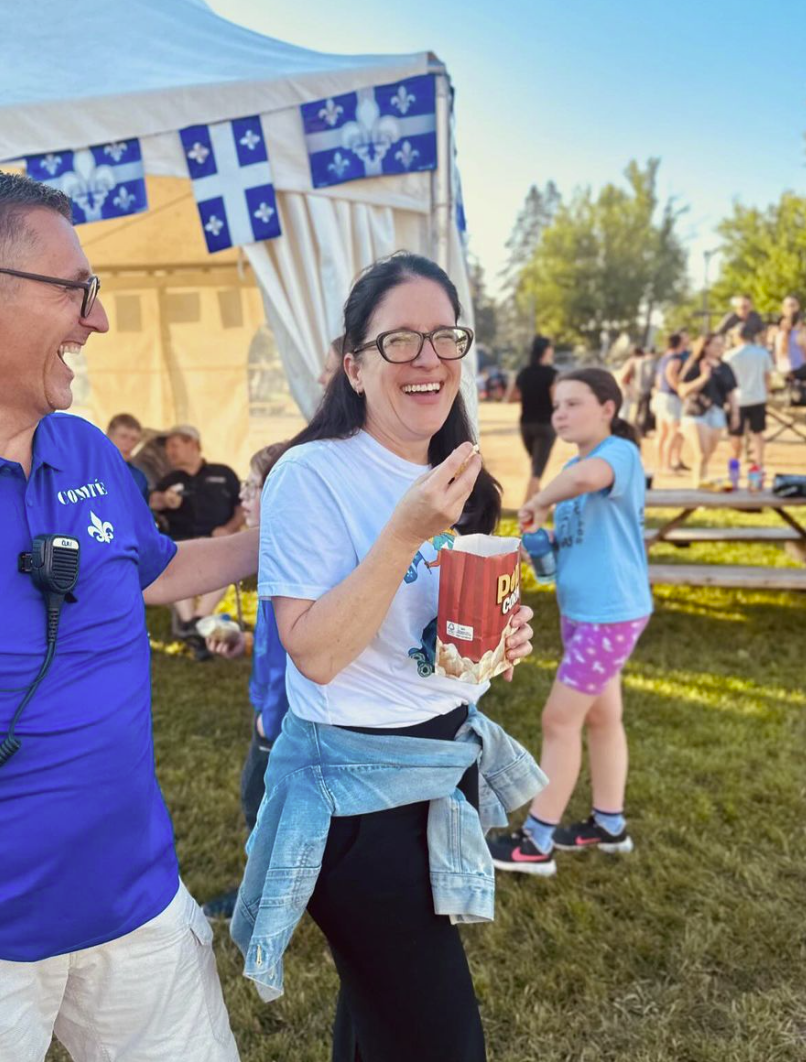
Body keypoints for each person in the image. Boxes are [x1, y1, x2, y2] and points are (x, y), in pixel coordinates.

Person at [0, 168, 254, 1062]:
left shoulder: (88, 448)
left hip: (138, 910)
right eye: (76, 290)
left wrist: (284, 534)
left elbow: (157, 568)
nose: (96, 319)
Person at [230, 253, 542, 1062]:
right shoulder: (313, 473)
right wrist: (404, 532)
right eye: (400, 341)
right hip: (351, 800)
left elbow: (434, 636)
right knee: (439, 1041)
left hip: (440, 770)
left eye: (445, 337)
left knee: (380, 1018)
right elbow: (317, 654)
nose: (429, 359)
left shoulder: (459, 474)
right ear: (354, 364)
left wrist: (498, 640)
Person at [487, 368, 652, 876]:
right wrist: (545, 544)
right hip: (586, 614)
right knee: (601, 718)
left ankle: (536, 843)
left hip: (610, 616)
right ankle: (608, 825)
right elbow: (579, 536)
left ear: (608, 408)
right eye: (557, 405)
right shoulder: (574, 465)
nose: (560, 413)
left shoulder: (616, 455)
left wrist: (537, 499)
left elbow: (584, 480)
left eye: (573, 403)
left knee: (558, 720)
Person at [200, 440, 291, 921]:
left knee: (261, 809)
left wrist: (268, 727)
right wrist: (247, 639)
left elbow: (294, 654)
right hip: (277, 715)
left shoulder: (289, 562)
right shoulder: (276, 552)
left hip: (280, 724)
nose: (245, 500)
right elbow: (281, 639)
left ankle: (260, 905)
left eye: (253, 487)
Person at [151, 425, 245, 659]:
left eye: (175, 445)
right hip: (179, 547)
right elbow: (153, 501)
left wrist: (229, 528)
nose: (169, 452)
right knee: (177, 566)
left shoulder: (223, 474)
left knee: (227, 564)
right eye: (168, 447)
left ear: (194, 444)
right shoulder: (169, 479)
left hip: (216, 544)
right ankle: (197, 624)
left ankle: (192, 624)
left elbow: (241, 508)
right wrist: (164, 499)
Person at [678, 334, 739, 488]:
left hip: (717, 412)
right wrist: (704, 378)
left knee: (708, 455)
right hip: (696, 411)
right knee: (701, 454)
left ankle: (702, 485)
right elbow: (683, 390)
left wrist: (735, 413)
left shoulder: (725, 367)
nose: (720, 348)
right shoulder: (694, 364)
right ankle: (698, 489)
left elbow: (731, 392)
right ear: (706, 346)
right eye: (716, 344)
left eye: (721, 344)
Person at [506, 334, 558, 502]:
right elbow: (555, 401)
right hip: (545, 425)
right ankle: (526, 510)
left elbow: (511, 398)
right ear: (546, 351)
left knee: (536, 465)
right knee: (537, 472)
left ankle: (538, 500)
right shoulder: (552, 374)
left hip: (526, 425)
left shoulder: (524, 373)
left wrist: (530, 394)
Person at [726, 319, 774, 471]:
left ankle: (735, 462)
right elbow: (768, 376)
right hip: (758, 397)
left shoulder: (730, 355)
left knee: (736, 434)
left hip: (737, 399)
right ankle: (759, 463)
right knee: (757, 432)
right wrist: (766, 392)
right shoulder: (762, 353)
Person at [653, 331, 690, 474]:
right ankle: (667, 465)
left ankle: (664, 463)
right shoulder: (676, 358)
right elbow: (671, 375)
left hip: (662, 396)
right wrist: (680, 391)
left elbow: (658, 378)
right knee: (674, 432)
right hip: (672, 398)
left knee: (662, 433)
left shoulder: (665, 356)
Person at [106, 411, 150, 501]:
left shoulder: (138, 477)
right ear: (108, 436)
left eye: (134, 439)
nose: (128, 443)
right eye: (123, 436)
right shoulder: (87, 469)